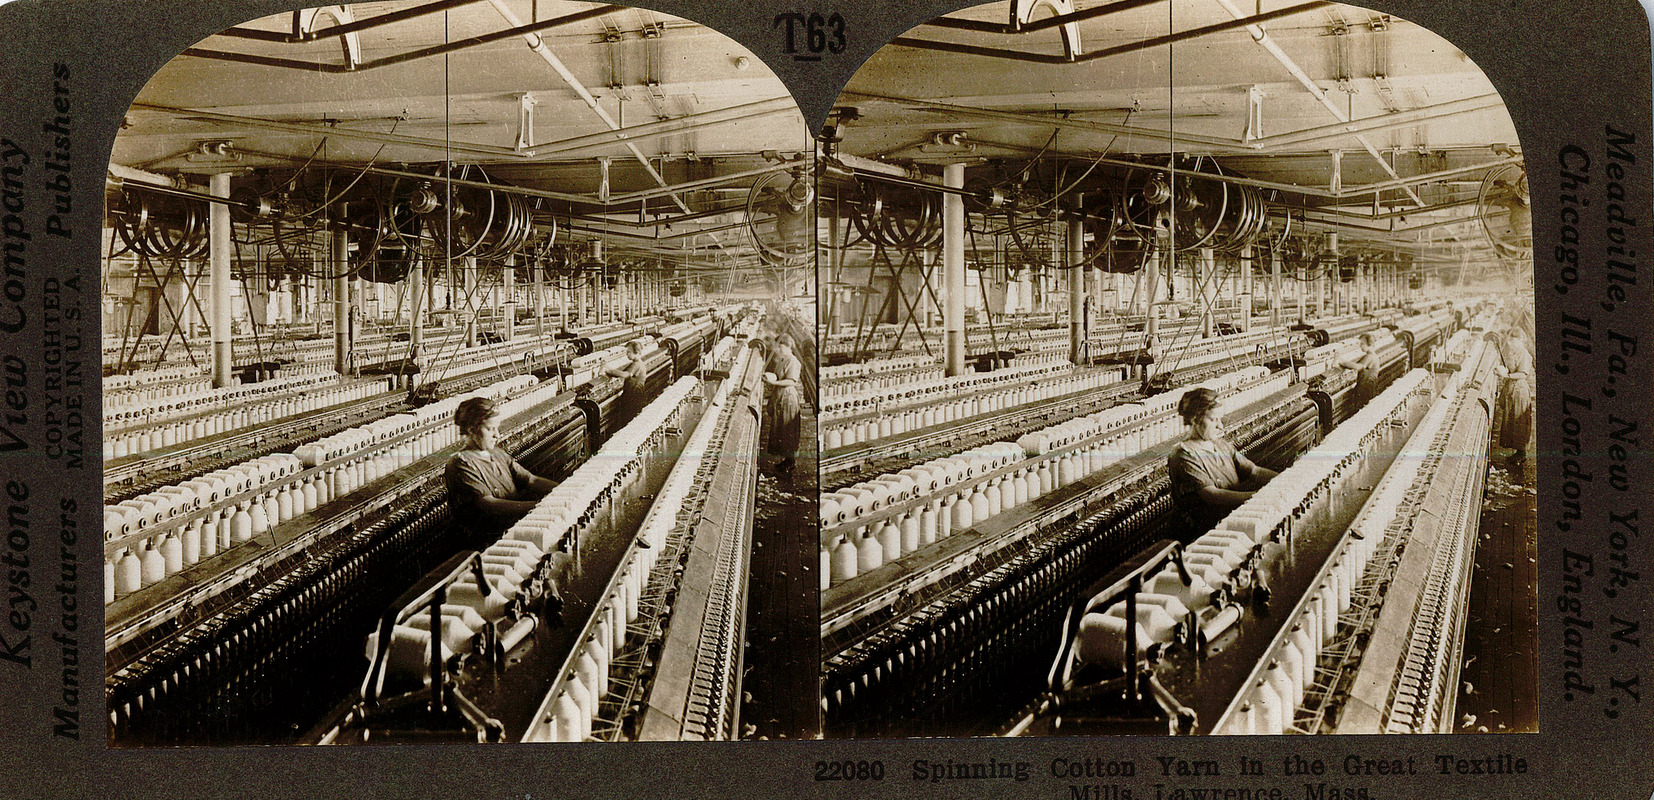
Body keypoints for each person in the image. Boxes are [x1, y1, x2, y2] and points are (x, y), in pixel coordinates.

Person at [444, 397, 559, 540]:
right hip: (487, 542)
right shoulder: (460, 463)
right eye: (490, 429)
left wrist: (562, 491)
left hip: (513, 528)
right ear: (471, 430)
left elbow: (530, 479)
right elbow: (489, 505)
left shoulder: (497, 453)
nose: (497, 435)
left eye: (497, 428)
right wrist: (539, 507)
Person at [1167, 387, 1278, 534]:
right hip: (1204, 533)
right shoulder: (1183, 455)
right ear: (1195, 419)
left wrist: (1285, 480)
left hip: (1231, 521)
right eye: (1214, 419)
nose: (1221, 425)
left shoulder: (1219, 444)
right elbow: (1213, 495)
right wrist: (1259, 496)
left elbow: (1253, 470)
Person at [763, 332, 803, 475]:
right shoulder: (782, 360)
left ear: (786, 346)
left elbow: (791, 381)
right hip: (780, 396)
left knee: (788, 430)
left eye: (779, 347)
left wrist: (774, 382)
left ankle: (791, 463)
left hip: (788, 398)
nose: (777, 350)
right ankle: (786, 460)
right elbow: (779, 375)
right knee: (781, 429)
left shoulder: (793, 361)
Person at [604, 339, 650, 433]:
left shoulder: (636, 364)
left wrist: (607, 370)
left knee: (628, 424)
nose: (627, 354)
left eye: (629, 352)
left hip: (633, 398)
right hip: (635, 396)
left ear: (636, 352)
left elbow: (625, 374)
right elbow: (620, 372)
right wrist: (610, 372)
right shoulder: (637, 363)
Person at [1338, 331, 1385, 410]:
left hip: (1365, 389)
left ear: (1369, 344)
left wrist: (1341, 362)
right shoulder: (1374, 356)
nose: (1360, 346)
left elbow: (1357, 367)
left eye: (1362, 343)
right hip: (1370, 387)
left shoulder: (1369, 356)